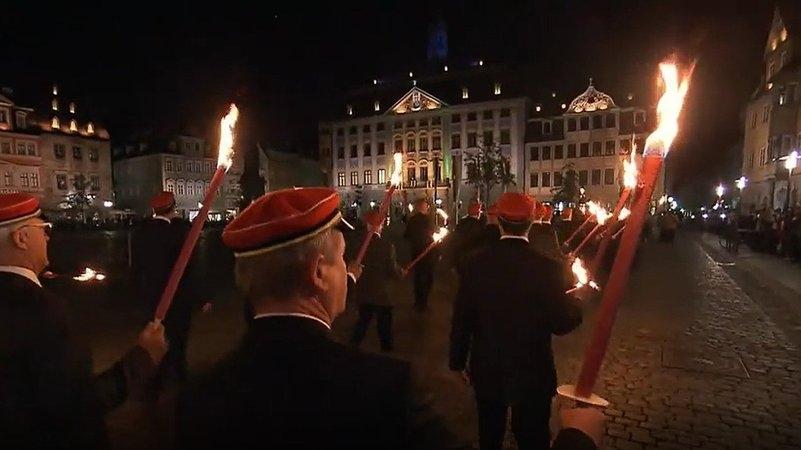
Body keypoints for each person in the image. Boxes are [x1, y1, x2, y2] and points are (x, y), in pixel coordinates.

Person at [177, 187, 453, 449]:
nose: (348, 269)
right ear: (319, 273)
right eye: (342, 259)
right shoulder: (389, 390)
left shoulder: (198, 399)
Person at [0, 193, 167, 450]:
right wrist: (142, 359)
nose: (48, 236)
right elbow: (76, 405)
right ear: (20, 238)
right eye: (43, 228)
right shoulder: (43, 311)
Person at [450, 192, 584, 450]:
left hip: (488, 367)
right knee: (533, 436)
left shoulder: (475, 265)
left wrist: (457, 362)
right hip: (532, 370)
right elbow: (561, 323)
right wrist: (576, 303)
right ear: (532, 221)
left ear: (498, 221)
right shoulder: (549, 270)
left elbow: (462, 318)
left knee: (489, 433)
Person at [132, 191, 207, 387]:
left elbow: (135, 267)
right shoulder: (180, 232)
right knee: (179, 340)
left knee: (156, 337)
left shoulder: (140, 232)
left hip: (151, 297)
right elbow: (189, 267)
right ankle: (178, 377)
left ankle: (157, 376)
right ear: (173, 208)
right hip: (178, 297)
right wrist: (201, 297)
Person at [350, 210, 403, 351]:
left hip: (363, 291)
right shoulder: (386, 246)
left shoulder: (357, 243)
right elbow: (392, 270)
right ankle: (387, 351)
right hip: (382, 294)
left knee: (363, 321)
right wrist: (401, 273)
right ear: (380, 225)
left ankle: (353, 347)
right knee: (384, 325)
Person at [404, 198, 437, 311]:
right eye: (426, 206)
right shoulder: (427, 220)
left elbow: (406, 235)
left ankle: (418, 301)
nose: (427, 207)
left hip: (416, 252)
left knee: (418, 277)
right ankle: (423, 302)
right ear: (422, 207)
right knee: (427, 278)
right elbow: (432, 234)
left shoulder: (412, 220)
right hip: (428, 253)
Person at [452, 201, 486, 274]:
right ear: (478, 212)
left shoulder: (461, 223)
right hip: (475, 257)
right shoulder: (480, 225)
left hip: (461, 256)